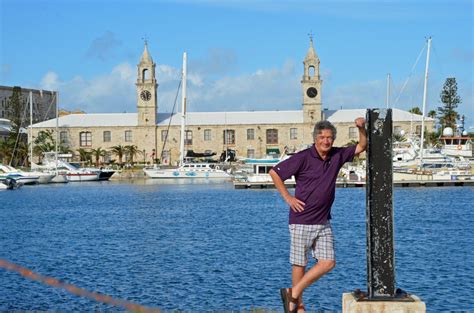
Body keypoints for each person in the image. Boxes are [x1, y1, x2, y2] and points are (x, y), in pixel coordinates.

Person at [269, 118, 367, 313]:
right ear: (315, 139)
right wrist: (288, 197)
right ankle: (299, 306)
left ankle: (293, 292)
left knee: (328, 262)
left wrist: (361, 128)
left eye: (329, 137)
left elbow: (362, 146)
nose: (326, 141)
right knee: (300, 263)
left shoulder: (338, 155)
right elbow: (275, 172)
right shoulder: (303, 157)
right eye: (322, 137)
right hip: (301, 220)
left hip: (323, 221)